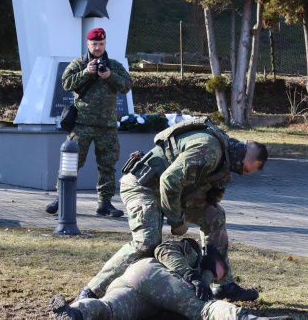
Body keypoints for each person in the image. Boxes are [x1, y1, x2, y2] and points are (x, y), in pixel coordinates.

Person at [75, 117, 269, 302]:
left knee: (214, 216)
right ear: (244, 155)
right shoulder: (209, 149)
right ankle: (92, 290)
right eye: (247, 169)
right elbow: (169, 180)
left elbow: (194, 188)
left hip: (170, 192)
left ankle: (223, 285)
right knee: (146, 243)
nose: (246, 174)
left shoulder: (226, 155)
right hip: (143, 187)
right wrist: (177, 221)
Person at [51, 239, 291, 320]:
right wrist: (194, 276)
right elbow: (164, 250)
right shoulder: (192, 251)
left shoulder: (203, 274)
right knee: (205, 310)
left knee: (108, 310)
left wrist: (202, 278)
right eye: (222, 272)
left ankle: (75, 313)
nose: (222, 278)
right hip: (150, 273)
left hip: (137, 287)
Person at [45, 27, 133, 217]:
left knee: (107, 165)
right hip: (82, 124)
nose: (98, 47)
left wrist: (110, 76)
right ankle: (61, 199)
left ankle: (105, 203)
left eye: (101, 44)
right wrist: (85, 73)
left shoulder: (114, 66)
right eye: (94, 44)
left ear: (105, 44)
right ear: (88, 44)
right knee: (71, 162)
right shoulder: (78, 63)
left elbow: (127, 86)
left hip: (107, 126)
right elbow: (66, 83)